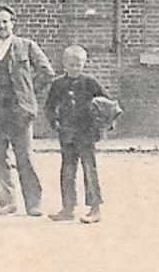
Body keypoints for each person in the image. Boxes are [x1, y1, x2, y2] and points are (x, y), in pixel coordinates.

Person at [0, 4, 55, 217]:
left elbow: (46, 72)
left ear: (12, 23)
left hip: (20, 111)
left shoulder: (26, 46)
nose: (1, 25)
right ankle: (7, 202)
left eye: (5, 21)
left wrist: (27, 92)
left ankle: (34, 203)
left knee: (24, 157)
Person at [44, 44, 110, 223]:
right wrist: (54, 122)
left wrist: (100, 126)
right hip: (67, 134)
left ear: (84, 64)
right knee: (67, 170)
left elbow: (107, 105)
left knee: (89, 169)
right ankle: (68, 208)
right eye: (72, 65)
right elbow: (49, 106)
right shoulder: (58, 84)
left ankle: (95, 208)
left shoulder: (90, 82)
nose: (75, 68)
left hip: (86, 133)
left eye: (79, 65)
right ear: (64, 64)